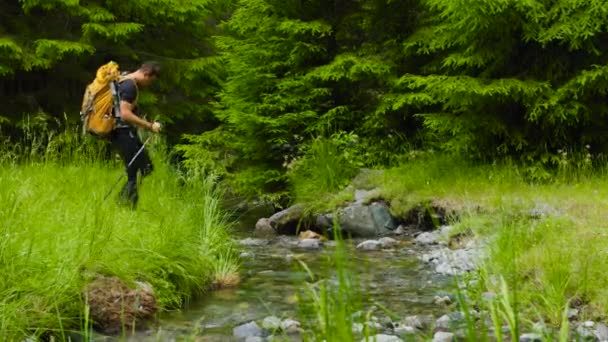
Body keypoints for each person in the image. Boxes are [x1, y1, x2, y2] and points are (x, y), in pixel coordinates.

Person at [109, 61, 162, 208]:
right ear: (146, 74)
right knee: (137, 171)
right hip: (122, 133)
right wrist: (149, 126)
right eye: (151, 80)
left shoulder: (124, 78)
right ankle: (125, 206)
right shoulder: (130, 86)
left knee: (144, 168)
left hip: (123, 132)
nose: (149, 84)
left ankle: (124, 202)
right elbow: (125, 113)